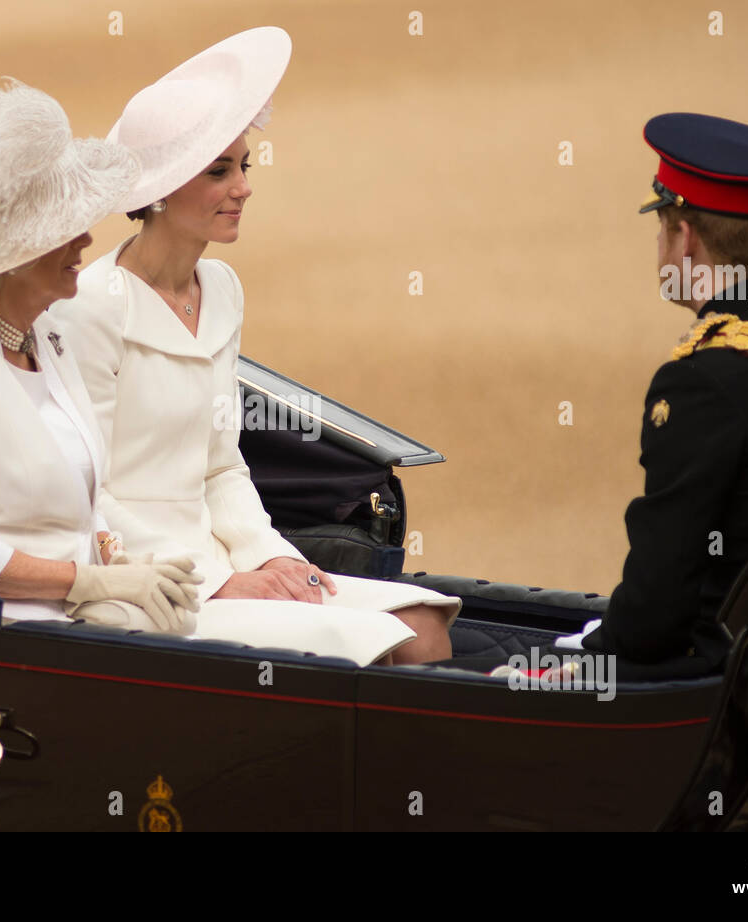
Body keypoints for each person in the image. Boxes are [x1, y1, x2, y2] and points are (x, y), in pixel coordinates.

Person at [449, 112, 748, 679]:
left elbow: (653, 615)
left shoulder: (701, 380)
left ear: (684, 238)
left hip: (723, 679)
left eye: (662, 225)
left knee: (453, 658)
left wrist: (583, 664)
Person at [58, 27, 460, 665]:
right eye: (220, 171)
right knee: (376, 647)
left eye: (243, 166)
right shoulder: (90, 304)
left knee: (425, 626)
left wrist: (273, 558)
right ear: (160, 188)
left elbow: (222, 467)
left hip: (219, 559)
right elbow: (84, 489)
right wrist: (221, 584)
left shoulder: (220, 287)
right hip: (140, 584)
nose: (244, 186)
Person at [0, 79, 202, 633]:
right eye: (63, 230)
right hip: (1, 631)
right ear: (9, 257)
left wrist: (114, 555)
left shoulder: (45, 335)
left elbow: (78, 501)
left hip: (72, 619)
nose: (85, 241)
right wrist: (89, 581)